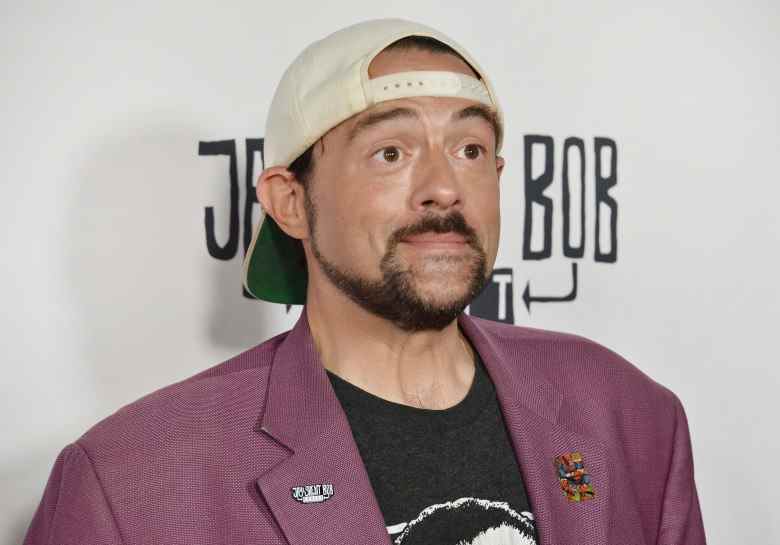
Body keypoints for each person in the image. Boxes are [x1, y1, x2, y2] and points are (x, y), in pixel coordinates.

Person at [23, 18, 706, 545]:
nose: (444, 188)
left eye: (470, 149)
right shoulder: (130, 481)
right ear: (290, 202)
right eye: (391, 151)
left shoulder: (630, 414)